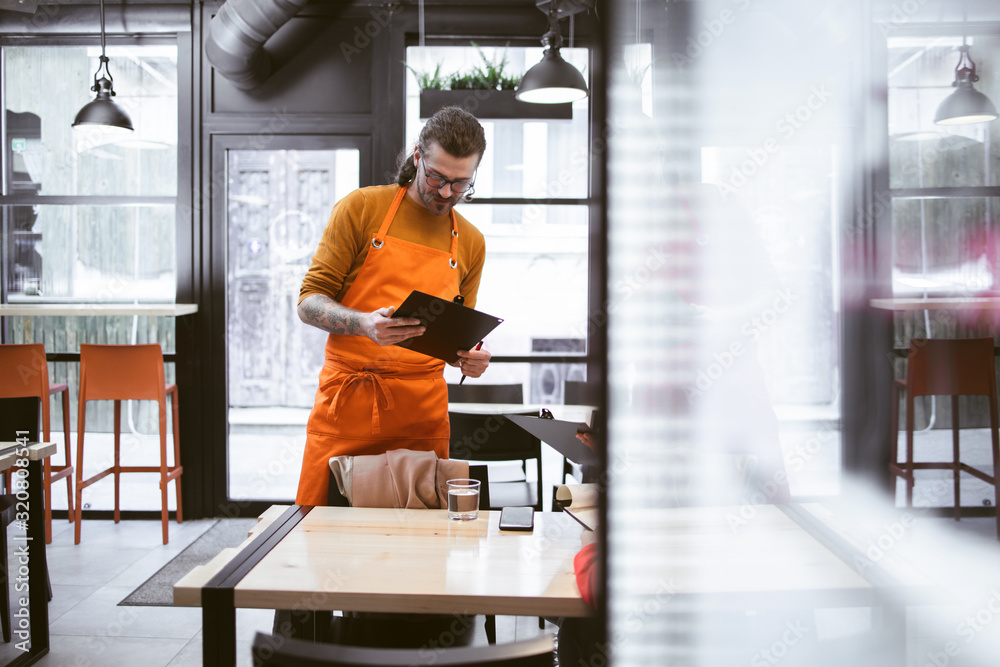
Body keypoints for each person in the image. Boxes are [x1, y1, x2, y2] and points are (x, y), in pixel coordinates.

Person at [295, 106, 492, 507]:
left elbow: (458, 337)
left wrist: (470, 358)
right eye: (436, 176)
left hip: (422, 415)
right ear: (417, 156)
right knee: (323, 536)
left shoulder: (470, 241)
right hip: (348, 402)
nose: (445, 193)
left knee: (420, 549)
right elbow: (308, 302)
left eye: (460, 184)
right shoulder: (361, 208)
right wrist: (362, 323)